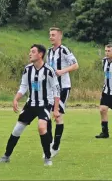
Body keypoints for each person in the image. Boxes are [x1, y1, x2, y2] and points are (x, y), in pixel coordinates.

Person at [0, 44, 60, 167]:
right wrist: (16, 99)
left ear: (40, 54)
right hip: (30, 104)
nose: (30, 54)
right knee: (17, 130)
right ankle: (6, 156)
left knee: (41, 128)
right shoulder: (27, 69)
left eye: (33, 51)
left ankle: (47, 157)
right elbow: (23, 86)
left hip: (44, 104)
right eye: (30, 51)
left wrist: (55, 109)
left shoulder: (49, 70)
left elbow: (56, 90)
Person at [46, 27, 79, 156]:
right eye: (50, 35)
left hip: (63, 87)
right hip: (51, 87)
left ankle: (55, 146)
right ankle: (49, 143)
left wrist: (62, 71)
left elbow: (75, 65)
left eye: (53, 35)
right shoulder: (49, 51)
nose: (51, 37)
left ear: (60, 36)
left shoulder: (64, 50)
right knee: (46, 114)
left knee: (58, 115)